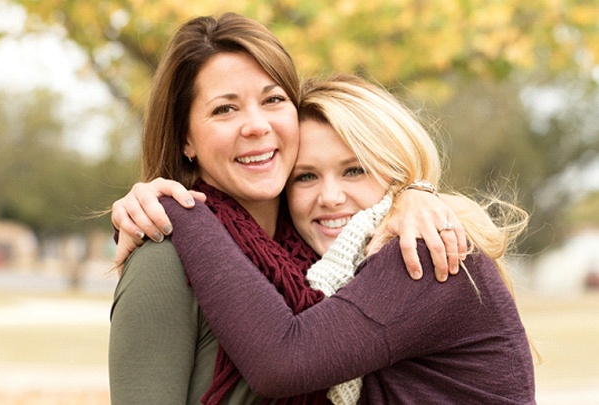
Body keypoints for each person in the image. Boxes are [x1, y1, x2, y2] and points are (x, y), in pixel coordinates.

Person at [109, 12, 467, 405]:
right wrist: (177, 210)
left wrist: (413, 193)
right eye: (225, 109)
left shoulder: (328, 248)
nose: (256, 126)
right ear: (185, 140)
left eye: (273, 99)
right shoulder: (165, 255)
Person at [153, 74, 536, 403]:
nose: (331, 197)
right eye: (306, 177)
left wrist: (179, 205)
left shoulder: (421, 251)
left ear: (396, 172)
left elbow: (283, 363)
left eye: (354, 170)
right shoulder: (333, 264)